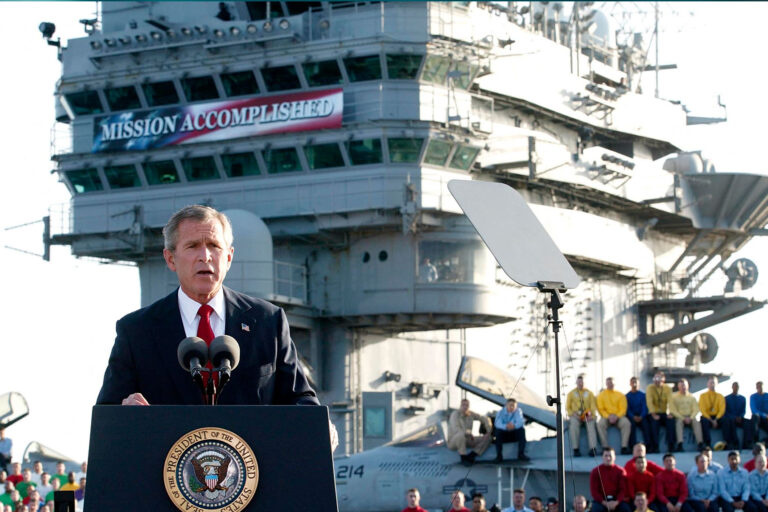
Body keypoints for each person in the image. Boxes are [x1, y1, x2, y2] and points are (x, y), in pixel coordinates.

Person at [95, 206, 337, 446]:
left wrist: (316, 422)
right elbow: (107, 415)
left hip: (255, 475)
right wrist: (123, 413)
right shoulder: (137, 330)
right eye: (192, 246)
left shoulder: (267, 321)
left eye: (214, 246)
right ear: (170, 258)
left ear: (229, 257)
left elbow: (299, 398)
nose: (205, 256)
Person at [448, 399, 493, 464]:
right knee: (460, 435)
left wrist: (488, 432)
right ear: (460, 405)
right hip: (454, 441)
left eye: (467, 405)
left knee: (489, 438)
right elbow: (456, 429)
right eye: (463, 405)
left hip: (468, 439)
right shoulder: (455, 414)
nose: (465, 407)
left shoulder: (470, 414)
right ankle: (463, 457)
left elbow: (484, 418)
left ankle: (472, 455)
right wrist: (468, 434)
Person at [598, 377, 632, 455]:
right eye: (608, 383)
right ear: (606, 384)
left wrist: (617, 416)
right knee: (600, 424)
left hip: (618, 417)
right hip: (607, 417)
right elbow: (601, 409)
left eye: (611, 383)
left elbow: (623, 408)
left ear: (614, 384)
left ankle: (624, 447)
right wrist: (608, 416)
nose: (610, 384)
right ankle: (605, 447)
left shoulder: (620, 395)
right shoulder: (601, 395)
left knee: (626, 423)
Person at [590, 447, 630, 512]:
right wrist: (605, 503)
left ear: (614, 457)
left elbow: (623, 490)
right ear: (602, 457)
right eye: (606, 456)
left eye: (610, 456)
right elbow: (594, 491)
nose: (608, 458)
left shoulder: (621, 471)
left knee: (626, 509)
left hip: (617, 500)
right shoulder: (595, 471)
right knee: (596, 509)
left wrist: (616, 502)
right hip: (601, 501)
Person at [567, 375, 598, 457]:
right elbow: (568, 407)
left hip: (587, 415)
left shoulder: (590, 393)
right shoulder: (571, 393)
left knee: (591, 425)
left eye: (582, 382)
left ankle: (593, 448)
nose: (580, 384)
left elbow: (593, 406)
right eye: (579, 382)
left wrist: (592, 415)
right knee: (573, 426)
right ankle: (575, 449)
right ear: (576, 383)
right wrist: (573, 414)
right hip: (575, 415)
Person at [669, 379, 703, 452]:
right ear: (678, 387)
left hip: (690, 417)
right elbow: (672, 410)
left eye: (684, 385)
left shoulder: (692, 397)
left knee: (696, 423)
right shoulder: (673, 396)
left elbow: (696, 409)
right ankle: (680, 444)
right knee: (678, 424)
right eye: (681, 385)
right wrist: (682, 418)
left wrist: (690, 418)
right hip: (679, 417)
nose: (683, 387)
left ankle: (700, 443)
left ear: (688, 386)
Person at [647, 372, 675, 453]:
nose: (656, 380)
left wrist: (671, 413)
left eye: (659, 378)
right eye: (655, 378)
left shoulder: (668, 388)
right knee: (654, 424)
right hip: (654, 413)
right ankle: (655, 446)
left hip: (663, 412)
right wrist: (653, 413)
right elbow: (649, 401)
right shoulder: (650, 388)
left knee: (671, 422)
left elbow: (671, 401)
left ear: (663, 379)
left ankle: (671, 445)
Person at [725, 382, 754, 450]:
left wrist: (740, 416)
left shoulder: (742, 398)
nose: (736, 388)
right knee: (730, 422)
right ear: (732, 387)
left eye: (737, 386)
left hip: (740, 418)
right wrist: (734, 417)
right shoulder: (727, 398)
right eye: (734, 386)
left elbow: (743, 410)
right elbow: (726, 412)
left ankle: (747, 443)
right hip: (731, 418)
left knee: (748, 422)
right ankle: (734, 443)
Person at [699, 377, 726, 449]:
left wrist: (716, 420)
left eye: (714, 383)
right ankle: (707, 443)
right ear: (707, 384)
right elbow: (702, 410)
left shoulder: (720, 396)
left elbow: (722, 410)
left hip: (717, 417)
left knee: (726, 420)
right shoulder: (703, 396)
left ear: (717, 384)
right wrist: (711, 420)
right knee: (704, 420)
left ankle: (726, 442)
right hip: (707, 417)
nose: (712, 384)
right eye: (710, 383)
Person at [627, 377, 652, 448]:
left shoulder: (643, 395)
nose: (634, 384)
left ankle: (648, 445)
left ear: (639, 384)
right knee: (631, 426)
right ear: (630, 384)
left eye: (636, 382)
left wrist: (641, 416)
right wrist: (632, 416)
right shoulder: (627, 396)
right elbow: (627, 409)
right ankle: (632, 446)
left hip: (642, 416)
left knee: (646, 425)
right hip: (632, 416)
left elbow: (645, 407)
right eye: (632, 382)